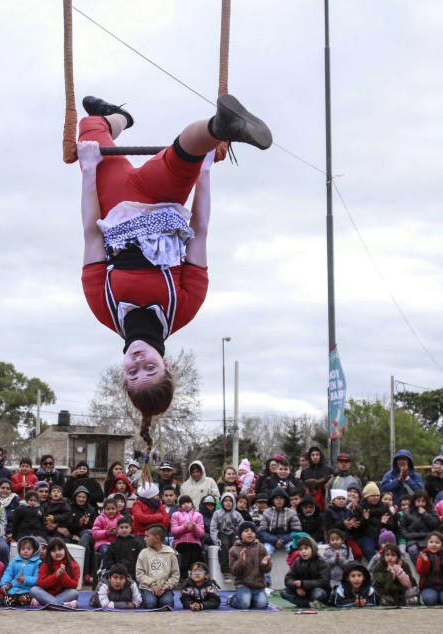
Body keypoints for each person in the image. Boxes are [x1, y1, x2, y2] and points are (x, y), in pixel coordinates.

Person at [78, 95, 271, 442]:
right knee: (187, 154)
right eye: (148, 368)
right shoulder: (182, 309)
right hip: (158, 198)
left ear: (123, 375)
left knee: (89, 129)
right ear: (166, 365)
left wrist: (89, 171)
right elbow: (199, 233)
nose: (138, 361)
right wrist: (205, 171)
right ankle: (221, 127)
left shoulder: (103, 308)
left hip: (112, 201)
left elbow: (92, 234)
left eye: (133, 372)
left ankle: (116, 117)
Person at [227, 521, 272, 608]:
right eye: (246, 531)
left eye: (252, 531)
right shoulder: (234, 549)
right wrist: (240, 562)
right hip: (243, 585)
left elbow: (268, 569)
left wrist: (264, 565)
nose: (250, 533)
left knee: (262, 604)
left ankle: (250, 599)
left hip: (259, 586)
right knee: (244, 604)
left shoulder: (261, 548)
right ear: (240, 534)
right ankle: (232, 600)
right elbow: (233, 572)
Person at [136, 523, 180, 608]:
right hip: (148, 588)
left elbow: (175, 575)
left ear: (156, 538)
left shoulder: (171, 554)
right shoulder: (143, 553)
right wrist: (152, 584)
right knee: (150, 603)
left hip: (165, 589)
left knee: (167, 603)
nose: (144, 539)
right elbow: (139, 574)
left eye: (147, 536)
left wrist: (165, 586)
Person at [280, 535, 331, 608]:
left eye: (306, 548)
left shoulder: (321, 562)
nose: (303, 551)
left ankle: (315, 602)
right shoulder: (297, 562)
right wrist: (296, 588)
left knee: (318, 594)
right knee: (284, 592)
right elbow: (288, 579)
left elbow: (323, 581)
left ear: (313, 548)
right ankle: (309, 604)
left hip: (317, 590)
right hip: (301, 591)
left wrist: (303, 584)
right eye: (300, 549)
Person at [33, 537, 81, 607]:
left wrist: (63, 575)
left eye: (60, 549)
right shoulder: (45, 564)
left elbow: (74, 585)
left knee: (74, 593)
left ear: (65, 550)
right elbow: (40, 583)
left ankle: (45, 603)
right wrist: (55, 576)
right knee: (34, 590)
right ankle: (62, 605)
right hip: (47, 594)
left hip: (64, 595)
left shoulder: (74, 565)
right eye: (53, 550)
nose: (57, 552)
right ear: (49, 553)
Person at [415, 531, 443, 607]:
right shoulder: (423, 555)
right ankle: (438, 598)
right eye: (431, 542)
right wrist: (425, 562)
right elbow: (421, 572)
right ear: (427, 544)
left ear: (442, 545)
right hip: (428, 587)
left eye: (437, 542)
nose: (434, 544)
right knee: (430, 600)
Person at [0, 535, 42, 606]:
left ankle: (34, 602)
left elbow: (38, 579)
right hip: (14, 589)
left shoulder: (37, 563)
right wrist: (4, 585)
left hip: (28, 590)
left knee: (24, 599)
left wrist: (25, 579)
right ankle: (2, 601)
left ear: (34, 550)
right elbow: (8, 573)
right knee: (7, 601)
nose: (25, 551)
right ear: (19, 550)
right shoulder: (14, 561)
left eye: (29, 549)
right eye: (23, 549)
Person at [170, 493, 206, 580]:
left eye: (188, 502)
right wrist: (183, 527)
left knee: (196, 557)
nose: (186, 504)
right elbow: (174, 531)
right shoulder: (175, 515)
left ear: (192, 504)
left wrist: (195, 528)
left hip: (195, 542)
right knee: (184, 558)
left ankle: (196, 578)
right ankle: (182, 578)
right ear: (180, 505)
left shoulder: (198, 515)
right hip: (180, 542)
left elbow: (201, 533)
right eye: (183, 503)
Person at [211, 491, 245, 580]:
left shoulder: (237, 514)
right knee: (225, 545)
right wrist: (216, 540)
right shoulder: (217, 513)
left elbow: (242, 526)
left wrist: (242, 538)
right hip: (222, 533)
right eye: (226, 500)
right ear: (222, 502)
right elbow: (213, 528)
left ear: (233, 502)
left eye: (230, 500)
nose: (228, 502)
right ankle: (225, 571)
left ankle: (238, 569)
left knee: (237, 545)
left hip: (233, 533)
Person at [372, 542, 419, 606]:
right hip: (386, 592)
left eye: (393, 555)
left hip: (403, 591)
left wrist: (400, 572)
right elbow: (378, 581)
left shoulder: (404, 565)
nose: (390, 557)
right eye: (387, 555)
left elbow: (411, 583)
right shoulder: (380, 566)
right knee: (376, 590)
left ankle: (407, 601)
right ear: (384, 556)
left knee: (414, 590)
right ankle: (390, 601)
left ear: (398, 557)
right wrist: (390, 575)